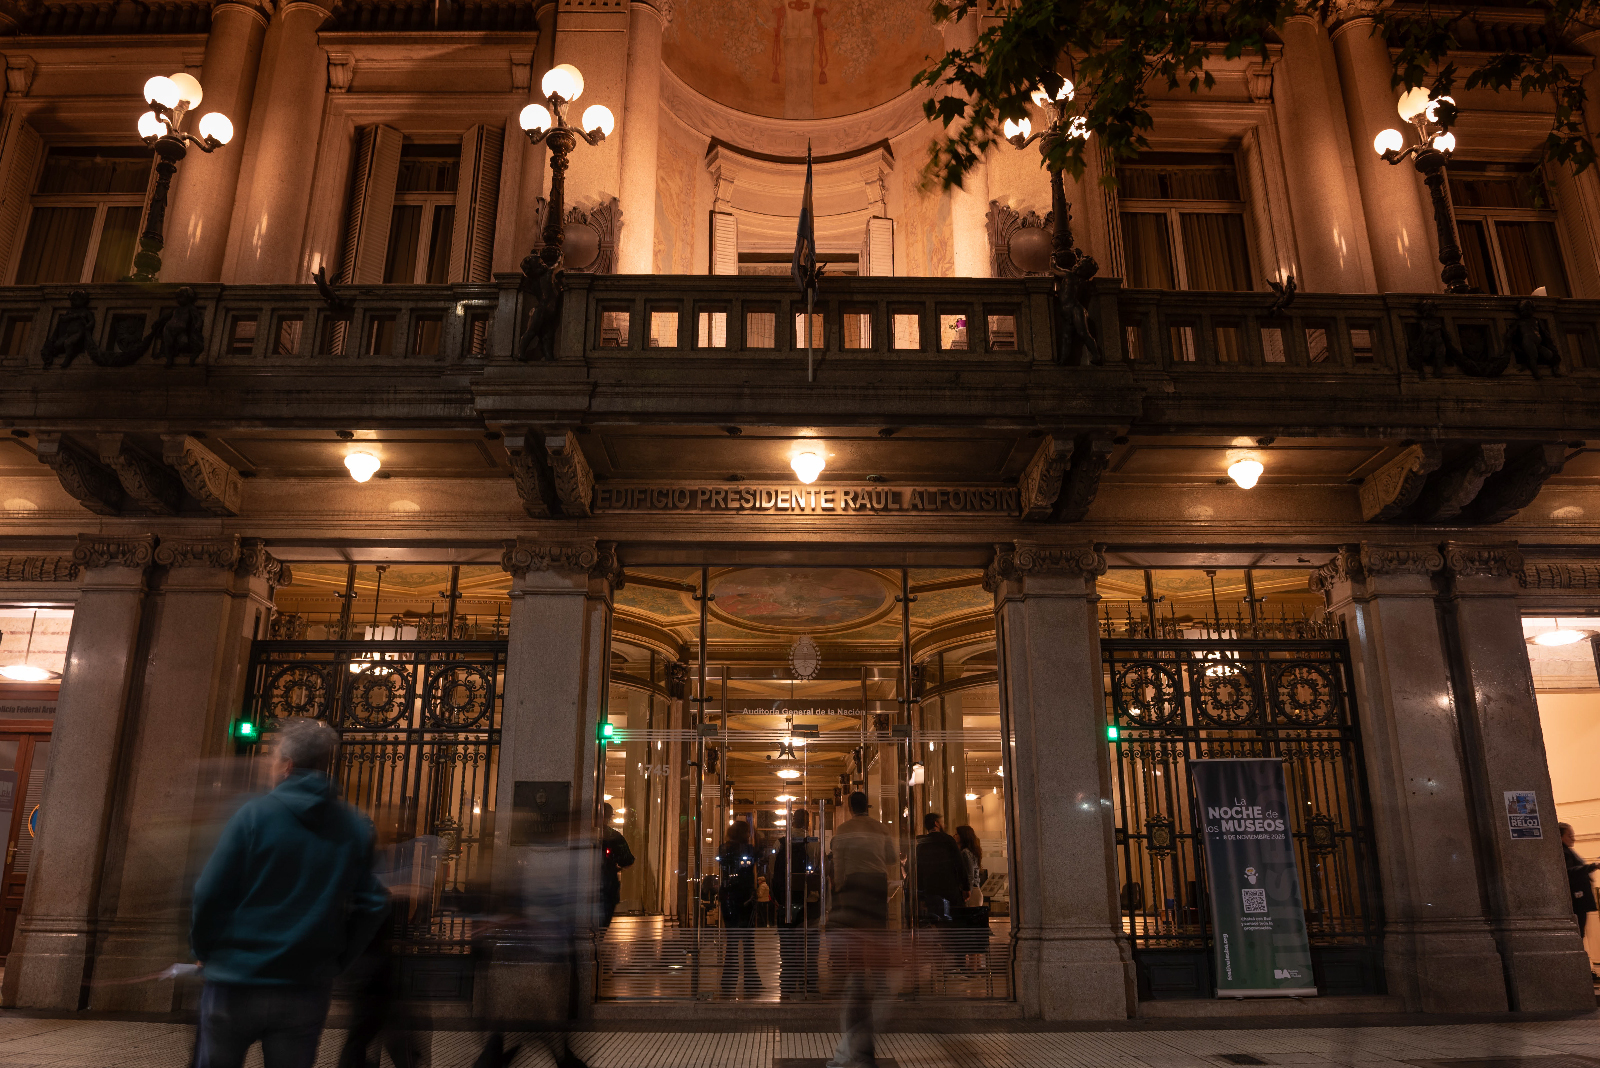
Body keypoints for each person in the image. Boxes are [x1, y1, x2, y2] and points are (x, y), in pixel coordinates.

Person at [191, 718, 390, 1068]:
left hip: (236, 981)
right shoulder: (354, 825)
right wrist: (339, 959)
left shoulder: (252, 815)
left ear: (287, 764)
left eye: (272, 757)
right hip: (305, 984)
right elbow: (373, 903)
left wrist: (204, 949)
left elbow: (210, 892)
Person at [826, 791, 900, 1068]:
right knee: (878, 928)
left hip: (855, 881)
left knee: (855, 930)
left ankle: (856, 968)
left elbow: (839, 864)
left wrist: (840, 888)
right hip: (877, 881)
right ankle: (879, 972)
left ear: (848, 806)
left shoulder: (843, 829)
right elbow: (892, 858)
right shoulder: (881, 828)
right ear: (867, 806)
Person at [772, 807, 823, 996]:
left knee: (787, 948)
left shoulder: (780, 842)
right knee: (809, 949)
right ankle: (809, 983)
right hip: (810, 901)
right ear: (808, 823)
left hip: (785, 901)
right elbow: (820, 873)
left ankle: (787, 983)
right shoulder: (814, 843)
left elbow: (771, 872)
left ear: (792, 821)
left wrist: (776, 897)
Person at [716, 819, 761, 995]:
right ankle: (751, 981)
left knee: (732, 941)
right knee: (748, 942)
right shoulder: (749, 849)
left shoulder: (724, 848)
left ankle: (728, 981)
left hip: (728, 895)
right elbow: (756, 859)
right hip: (746, 896)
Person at [1561, 822, 1600, 978]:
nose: (1573, 838)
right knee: (1579, 934)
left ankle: (1585, 969)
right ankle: (1582, 970)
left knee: (1581, 933)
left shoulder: (1569, 851)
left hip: (1581, 900)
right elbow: (1569, 872)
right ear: (1560, 836)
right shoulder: (1563, 853)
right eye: (1569, 835)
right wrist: (1592, 866)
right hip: (1576, 901)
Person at [914, 813, 966, 926]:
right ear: (936, 823)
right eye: (942, 822)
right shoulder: (948, 840)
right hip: (949, 887)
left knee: (935, 918)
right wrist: (965, 886)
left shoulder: (922, 843)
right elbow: (959, 863)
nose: (944, 824)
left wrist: (920, 889)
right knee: (953, 919)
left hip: (930, 888)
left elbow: (918, 868)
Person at [600, 802, 635, 928]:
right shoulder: (614, 836)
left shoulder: (580, 834)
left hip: (584, 889)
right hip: (607, 886)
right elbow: (627, 861)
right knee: (602, 926)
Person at [954, 825, 984, 908]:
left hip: (972, 892)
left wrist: (967, 891)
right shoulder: (970, 852)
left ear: (963, 836)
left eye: (957, 834)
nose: (954, 836)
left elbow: (969, 875)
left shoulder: (965, 853)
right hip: (974, 890)